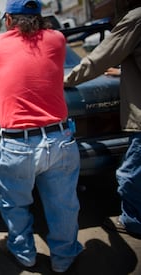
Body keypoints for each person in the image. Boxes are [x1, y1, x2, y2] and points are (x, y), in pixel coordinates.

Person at [0, 0, 83, 272]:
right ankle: (64, 258)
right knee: (63, 206)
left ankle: (24, 254)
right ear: (39, 17)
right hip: (59, 139)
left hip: (16, 144)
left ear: (8, 20)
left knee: (15, 204)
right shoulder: (57, 40)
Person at [64, 0, 141, 237]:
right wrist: (125, 69)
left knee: (129, 174)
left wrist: (65, 80)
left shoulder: (136, 18)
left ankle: (134, 222)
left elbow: (99, 59)